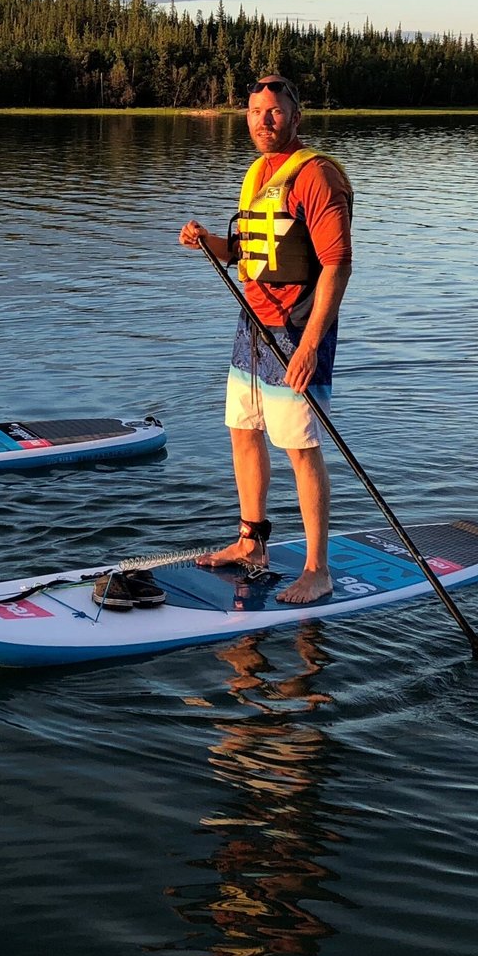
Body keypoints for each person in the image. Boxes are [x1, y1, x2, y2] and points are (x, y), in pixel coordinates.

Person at [113, 75, 353, 609]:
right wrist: (208, 242)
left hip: (296, 330)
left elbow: (338, 264)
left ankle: (318, 570)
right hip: (251, 326)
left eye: (273, 111)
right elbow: (243, 252)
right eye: (253, 111)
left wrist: (311, 344)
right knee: (243, 431)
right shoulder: (257, 173)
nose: (263, 120)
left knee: (300, 447)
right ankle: (251, 543)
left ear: (296, 116)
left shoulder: (316, 176)